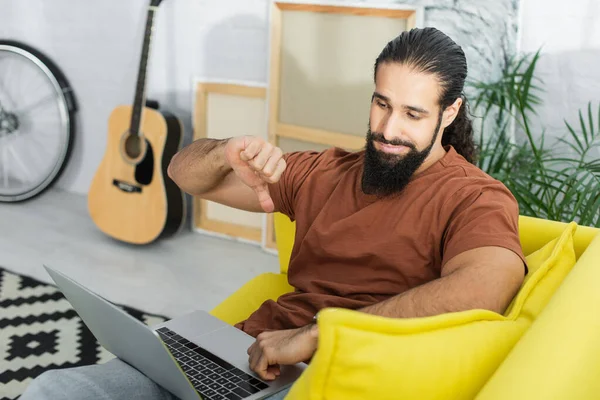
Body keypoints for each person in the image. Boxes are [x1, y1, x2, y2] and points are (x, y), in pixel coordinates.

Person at [21, 27, 526, 400]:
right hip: (248, 356)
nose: (389, 128)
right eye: (381, 104)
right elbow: (183, 175)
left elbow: (485, 284)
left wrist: (319, 333)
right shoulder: (325, 172)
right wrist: (225, 151)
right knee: (55, 389)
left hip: (337, 377)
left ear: (450, 112)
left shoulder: (474, 197)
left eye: (413, 114)